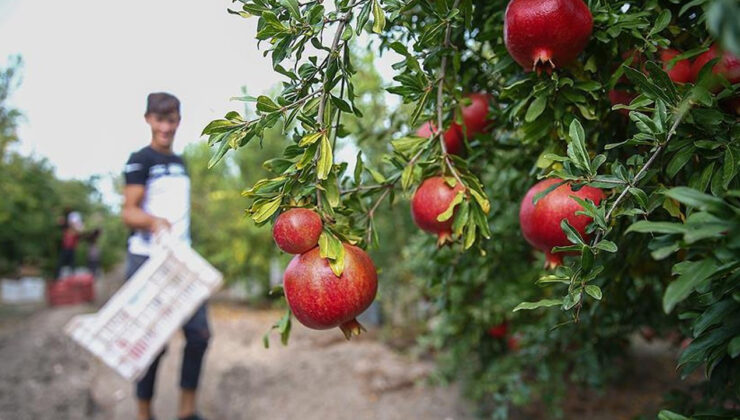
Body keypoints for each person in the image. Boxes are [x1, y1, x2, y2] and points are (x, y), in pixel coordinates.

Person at [122, 92, 209, 420]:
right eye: (159, 119)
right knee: (151, 343)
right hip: (146, 260)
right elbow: (129, 212)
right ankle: (144, 413)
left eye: (171, 119)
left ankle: (187, 412)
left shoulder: (180, 162)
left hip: (181, 259)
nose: (165, 126)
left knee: (200, 334)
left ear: (178, 121)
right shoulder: (140, 160)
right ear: (148, 120)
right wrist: (153, 221)